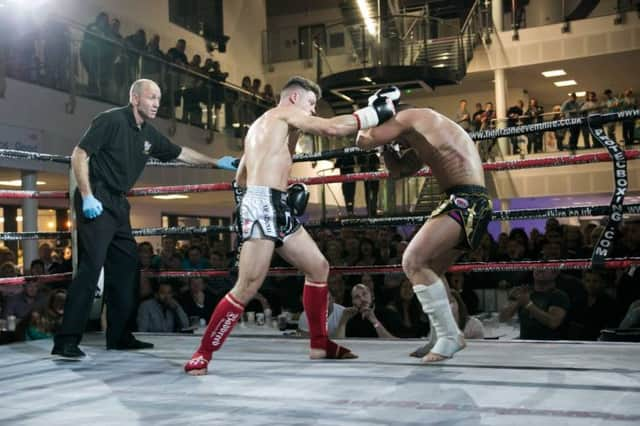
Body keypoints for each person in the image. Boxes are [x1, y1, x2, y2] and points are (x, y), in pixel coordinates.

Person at [184, 76, 400, 375]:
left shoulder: (261, 127)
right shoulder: (285, 113)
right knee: (247, 286)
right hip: (263, 205)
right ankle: (202, 353)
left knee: (318, 268)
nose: (312, 111)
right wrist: (375, 112)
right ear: (295, 98)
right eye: (311, 104)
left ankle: (320, 343)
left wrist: (261, 199)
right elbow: (333, 128)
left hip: (272, 203)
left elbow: (241, 178)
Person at [52, 79, 238, 359]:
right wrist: (88, 195)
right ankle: (65, 341)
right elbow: (79, 155)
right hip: (97, 195)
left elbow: (181, 153)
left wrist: (216, 162)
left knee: (127, 268)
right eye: (151, 97)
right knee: (91, 269)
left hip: (118, 202)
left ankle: (120, 336)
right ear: (135, 98)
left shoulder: (148, 135)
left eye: (159, 99)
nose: (156, 103)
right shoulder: (110, 120)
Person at [357, 105, 492, 362]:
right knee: (430, 270)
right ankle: (439, 337)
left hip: (465, 200)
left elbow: (364, 140)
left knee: (412, 261)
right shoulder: (423, 134)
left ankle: (450, 336)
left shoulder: (411, 116)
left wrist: (365, 118)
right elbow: (399, 171)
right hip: (471, 202)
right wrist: (386, 149)